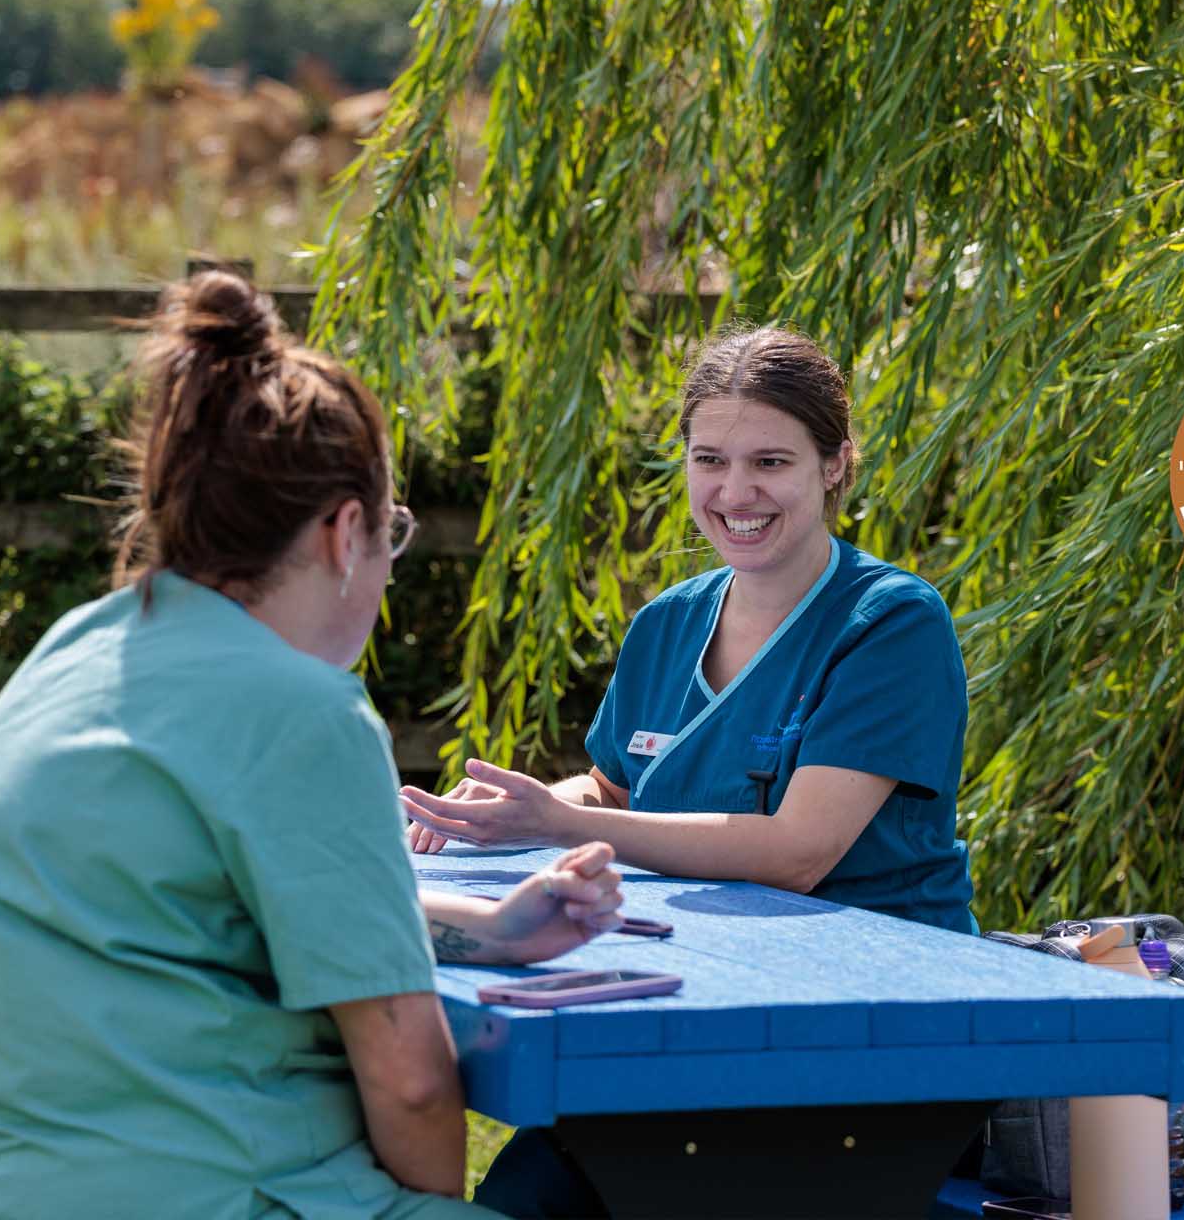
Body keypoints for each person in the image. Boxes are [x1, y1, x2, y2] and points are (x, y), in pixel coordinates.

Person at [0, 271, 623, 1220]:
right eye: (390, 534)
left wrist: (488, 930)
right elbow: (411, 1087)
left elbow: (228, 908)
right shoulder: (303, 713)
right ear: (343, 532)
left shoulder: (83, 647)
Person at [404, 325, 975, 1217]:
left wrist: (561, 825)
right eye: (710, 458)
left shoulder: (891, 625)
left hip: (864, 1037)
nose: (735, 492)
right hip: (686, 1011)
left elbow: (799, 852)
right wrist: (519, 806)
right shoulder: (667, 624)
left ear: (835, 464)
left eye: (771, 463)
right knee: (523, 1199)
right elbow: (615, 793)